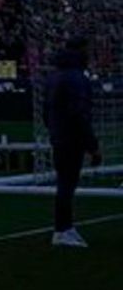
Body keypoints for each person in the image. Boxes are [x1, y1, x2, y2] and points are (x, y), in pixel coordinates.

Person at [44, 38, 103, 247]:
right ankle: (63, 229)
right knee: (67, 184)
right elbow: (80, 114)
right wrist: (92, 146)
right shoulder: (77, 78)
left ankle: (64, 228)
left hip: (59, 136)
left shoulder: (54, 76)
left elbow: (46, 111)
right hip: (71, 138)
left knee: (64, 183)